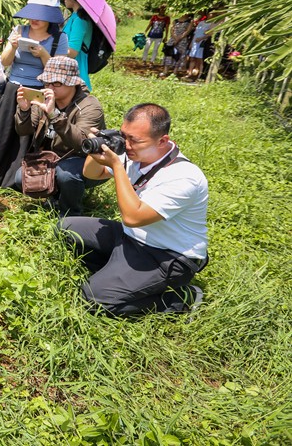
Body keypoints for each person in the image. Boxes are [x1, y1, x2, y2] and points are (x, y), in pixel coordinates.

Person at [57, 103, 208, 316]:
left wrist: (117, 167)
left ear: (162, 141)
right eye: (123, 135)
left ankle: (182, 298)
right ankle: (119, 276)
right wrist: (97, 149)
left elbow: (132, 217)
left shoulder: (184, 177)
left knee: (93, 300)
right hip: (131, 238)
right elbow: (92, 173)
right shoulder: (136, 153)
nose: (126, 145)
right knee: (66, 228)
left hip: (167, 256)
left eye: (134, 140)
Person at [0, 0, 70, 188]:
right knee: (1, 132)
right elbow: (5, 61)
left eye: (40, 17)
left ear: (50, 18)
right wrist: (13, 45)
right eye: (31, 15)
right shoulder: (19, 30)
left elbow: (57, 71)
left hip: (38, 91)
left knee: (26, 136)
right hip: (13, 87)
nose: (33, 20)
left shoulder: (60, 39)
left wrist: (43, 53)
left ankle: (18, 181)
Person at [13, 57, 106, 216]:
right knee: (20, 179)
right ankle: (56, 197)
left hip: (87, 160)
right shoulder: (44, 99)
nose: (50, 87)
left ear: (73, 83)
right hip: (54, 158)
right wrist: (24, 110)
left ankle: (71, 214)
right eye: (47, 82)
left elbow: (82, 143)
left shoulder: (89, 106)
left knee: (66, 175)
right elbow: (23, 130)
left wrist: (53, 115)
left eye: (56, 83)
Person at [63, 0, 94, 90]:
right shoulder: (74, 17)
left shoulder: (80, 21)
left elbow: (72, 52)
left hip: (75, 74)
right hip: (69, 71)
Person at [160, 13, 194, 77]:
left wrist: (179, 38)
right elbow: (172, 30)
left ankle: (175, 72)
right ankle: (165, 71)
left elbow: (187, 31)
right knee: (169, 54)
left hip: (182, 40)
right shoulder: (175, 21)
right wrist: (175, 37)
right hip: (172, 39)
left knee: (178, 55)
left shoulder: (190, 21)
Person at [186, 11, 213, 80]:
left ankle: (200, 74)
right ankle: (189, 72)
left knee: (199, 59)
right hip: (195, 42)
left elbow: (209, 35)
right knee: (192, 58)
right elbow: (195, 33)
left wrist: (201, 38)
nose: (210, 15)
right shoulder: (201, 22)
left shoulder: (211, 24)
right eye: (210, 14)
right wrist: (191, 43)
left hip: (202, 42)